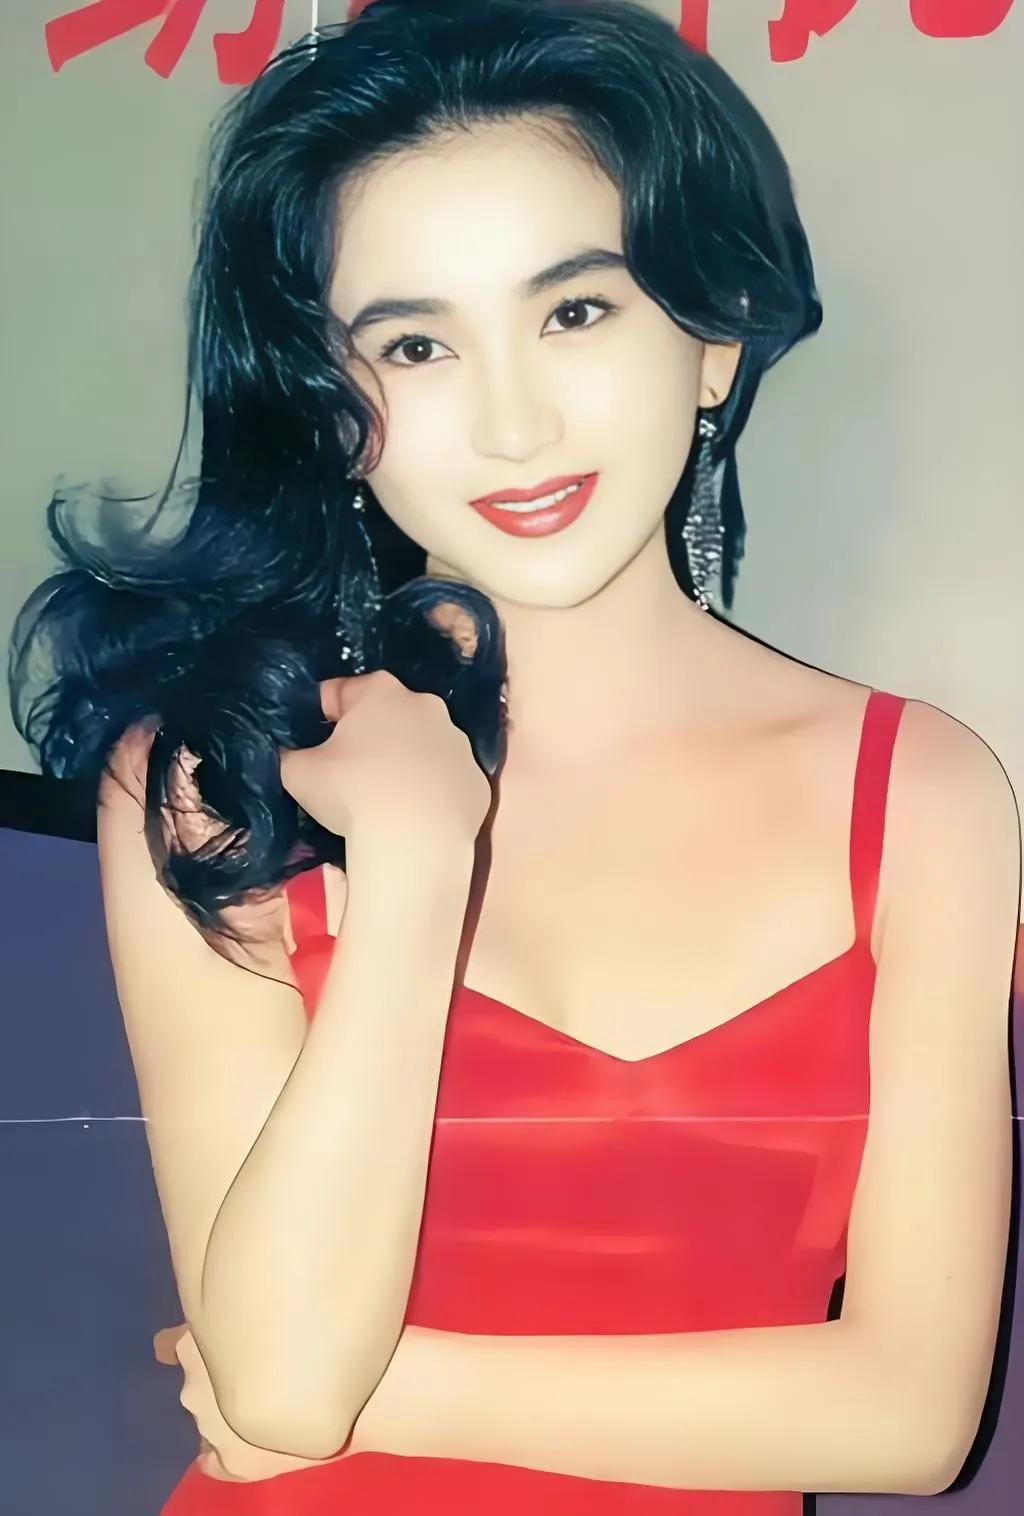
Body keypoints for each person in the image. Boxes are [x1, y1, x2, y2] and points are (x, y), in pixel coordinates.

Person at [8, 1, 1019, 1512]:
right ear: (333, 410)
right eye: (416, 345)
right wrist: (416, 873)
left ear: (713, 342)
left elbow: (911, 1420)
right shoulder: (218, 777)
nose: (512, 421)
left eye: (576, 312)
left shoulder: (920, 793)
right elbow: (277, 1390)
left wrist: (387, 1384)